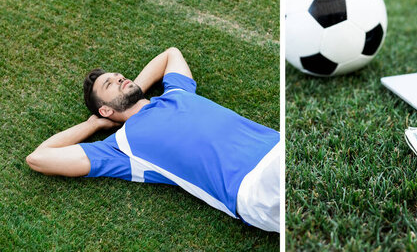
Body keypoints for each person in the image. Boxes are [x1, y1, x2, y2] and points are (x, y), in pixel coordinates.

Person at [26, 47, 280, 233]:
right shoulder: (122, 147)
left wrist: (132, 88)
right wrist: (93, 124)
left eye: (118, 76)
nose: (119, 78)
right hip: (252, 187)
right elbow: (38, 158)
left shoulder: (177, 92)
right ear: (104, 110)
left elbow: (171, 54)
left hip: (278, 145)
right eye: (109, 85)